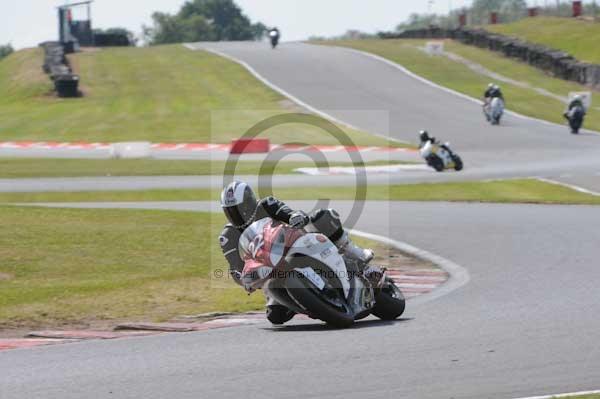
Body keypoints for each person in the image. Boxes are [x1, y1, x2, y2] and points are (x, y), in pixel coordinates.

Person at [218, 181, 375, 324]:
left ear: (250, 203)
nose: (237, 215)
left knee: (322, 216)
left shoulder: (266, 204)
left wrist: (294, 216)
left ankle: (355, 253)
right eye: (230, 211)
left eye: (240, 208)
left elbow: (287, 213)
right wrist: (245, 281)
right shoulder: (228, 236)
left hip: (294, 246)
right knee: (275, 316)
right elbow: (236, 268)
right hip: (271, 271)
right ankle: (314, 304)